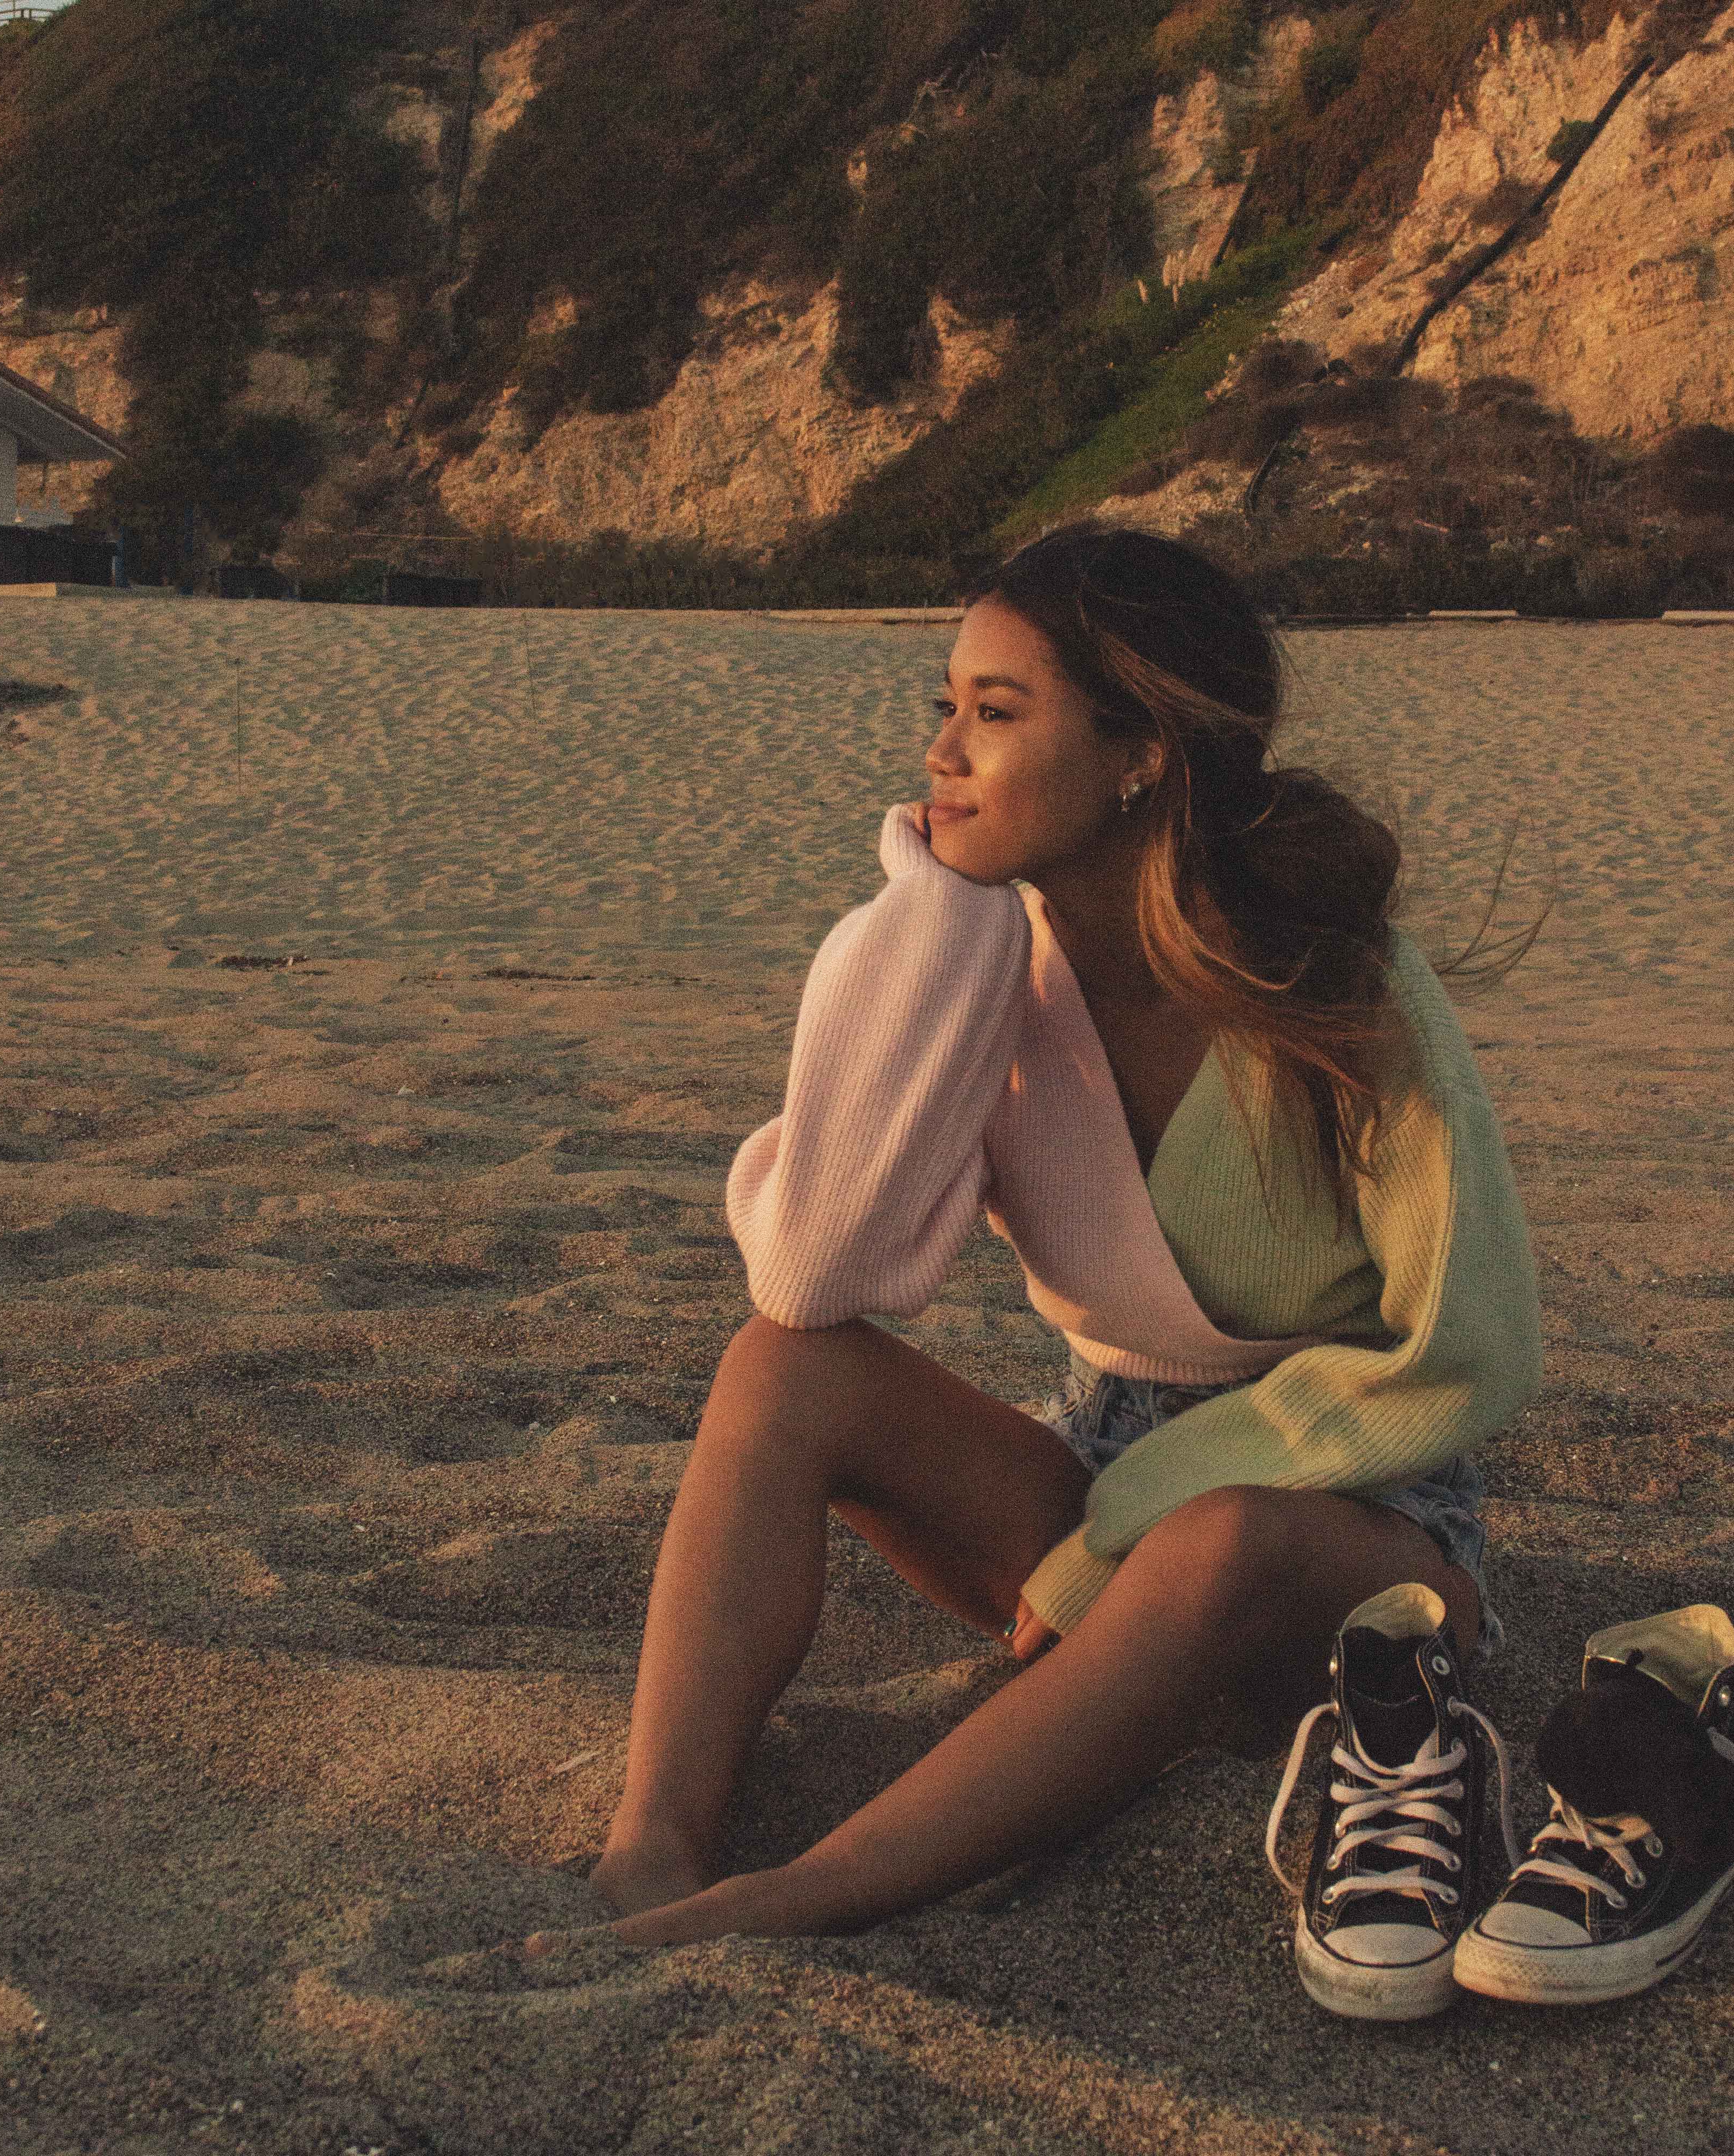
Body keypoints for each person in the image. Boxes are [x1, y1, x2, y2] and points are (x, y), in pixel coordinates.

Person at [526, 523, 1543, 2015]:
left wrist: (1122, 1527)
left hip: (1361, 1533)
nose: (941, 749)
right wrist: (929, 920)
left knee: (1225, 1546)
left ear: (1141, 751)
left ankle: (810, 1896)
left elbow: (1465, 1351)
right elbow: (818, 1273)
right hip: (1095, 1477)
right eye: (943, 707)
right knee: (780, 1369)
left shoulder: (1336, 985)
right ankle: (654, 1848)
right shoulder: (982, 974)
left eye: (996, 715)